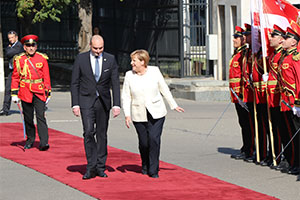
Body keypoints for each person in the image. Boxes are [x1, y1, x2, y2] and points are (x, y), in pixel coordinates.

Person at [122, 49, 184, 178]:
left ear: (142, 61)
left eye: (134, 60)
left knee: (154, 140)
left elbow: (164, 89)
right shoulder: (129, 75)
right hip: (138, 112)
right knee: (144, 142)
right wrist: (127, 115)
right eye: (132, 60)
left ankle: (153, 169)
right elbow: (126, 96)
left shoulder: (154, 71)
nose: (131, 63)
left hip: (156, 112)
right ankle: (145, 163)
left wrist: (173, 105)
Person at [71, 35, 121, 180]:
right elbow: (74, 83)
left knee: (101, 134)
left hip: (103, 102)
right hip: (86, 100)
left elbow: (115, 83)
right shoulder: (81, 59)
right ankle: (90, 166)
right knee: (88, 132)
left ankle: (100, 167)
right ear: (90, 46)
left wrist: (116, 105)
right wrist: (75, 104)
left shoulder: (110, 59)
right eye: (95, 48)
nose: (98, 51)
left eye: (101, 48)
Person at [11, 34, 51, 151]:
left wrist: (48, 92)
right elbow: (15, 77)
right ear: (24, 47)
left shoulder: (42, 58)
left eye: (33, 45)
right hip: (25, 91)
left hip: (39, 90)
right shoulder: (19, 60)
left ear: (36, 46)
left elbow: (46, 77)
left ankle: (44, 142)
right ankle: (30, 139)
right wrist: (14, 93)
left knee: (41, 116)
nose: (31, 48)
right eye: (28, 45)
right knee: (28, 118)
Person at [229, 26, 254, 161]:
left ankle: (250, 149)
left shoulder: (245, 53)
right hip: (237, 94)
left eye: (236, 37)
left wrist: (240, 93)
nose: (234, 40)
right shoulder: (238, 53)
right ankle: (246, 147)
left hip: (244, 94)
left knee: (248, 123)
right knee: (243, 123)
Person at [277, 27, 300, 175]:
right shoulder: (285, 57)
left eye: (286, 38)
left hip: (294, 101)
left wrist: (298, 104)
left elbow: (299, 81)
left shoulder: (296, 58)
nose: (282, 40)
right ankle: (294, 162)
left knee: (297, 135)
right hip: (285, 101)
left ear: (293, 42)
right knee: (291, 134)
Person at [0, 31, 23, 116]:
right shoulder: (11, 46)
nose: (10, 40)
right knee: (8, 89)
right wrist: (9, 49)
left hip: (20, 72)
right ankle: (5, 109)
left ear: (16, 37)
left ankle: (33, 107)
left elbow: (9, 53)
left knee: (25, 89)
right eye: (9, 38)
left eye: (12, 37)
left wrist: (9, 49)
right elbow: (7, 52)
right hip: (12, 71)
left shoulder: (19, 46)